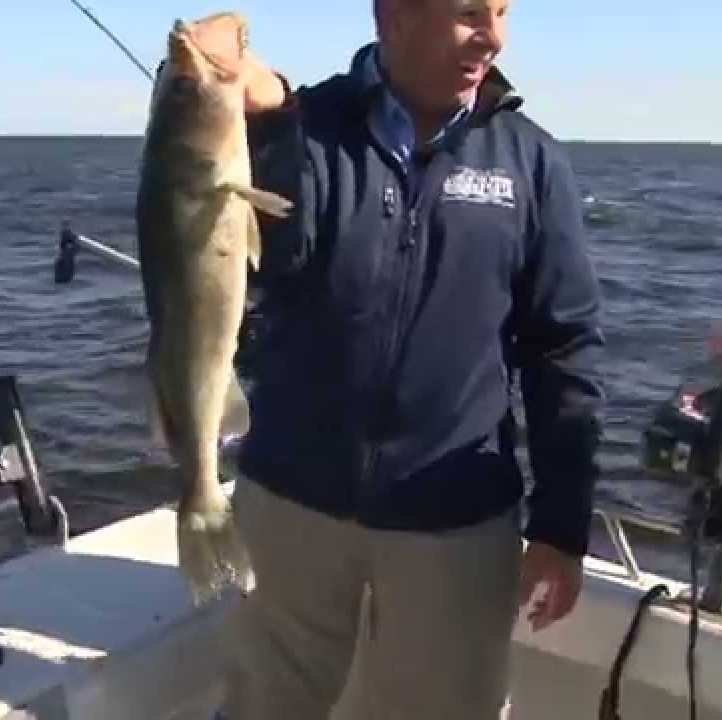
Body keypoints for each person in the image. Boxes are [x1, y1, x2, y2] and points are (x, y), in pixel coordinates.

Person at [187, 2, 606, 718]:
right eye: (471, 11)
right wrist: (268, 116)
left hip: (456, 519)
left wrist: (562, 526)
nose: (494, 36)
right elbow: (272, 262)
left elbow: (561, 345)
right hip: (291, 503)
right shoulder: (304, 126)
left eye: (504, 11)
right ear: (398, 15)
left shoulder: (531, 160)